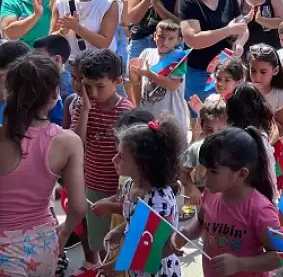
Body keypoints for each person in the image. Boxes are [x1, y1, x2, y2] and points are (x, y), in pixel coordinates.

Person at [0, 54, 86, 277]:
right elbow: (77, 207)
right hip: (44, 244)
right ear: (55, 93)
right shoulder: (68, 142)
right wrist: (65, 232)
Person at [170, 127, 282, 276]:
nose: (205, 177)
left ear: (241, 174)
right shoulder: (210, 194)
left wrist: (239, 264)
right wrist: (185, 233)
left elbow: (279, 256)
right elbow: (201, 220)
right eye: (205, 169)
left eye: (213, 171)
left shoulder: (260, 210)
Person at [99, 117, 186, 277]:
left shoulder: (159, 201)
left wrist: (119, 264)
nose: (114, 160)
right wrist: (119, 230)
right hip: (136, 269)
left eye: (121, 157)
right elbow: (138, 223)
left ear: (143, 165)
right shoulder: (130, 185)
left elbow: (164, 247)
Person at [72, 49, 134, 266]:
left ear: (117, 81)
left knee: (123, 244)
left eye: (100, 86)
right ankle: (98, 266)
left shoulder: (127, 112)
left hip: (120, 190)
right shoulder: (83, 106)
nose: (94, 93)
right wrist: (86, 111)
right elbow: (77, 145)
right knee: (100, 240)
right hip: (93, 185)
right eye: (88, 86)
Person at [178, 0, 248, 104]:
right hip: (199, 70)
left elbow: (242, 27)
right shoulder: (188, 0)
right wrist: (228, 30)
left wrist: (240, 43)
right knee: (201, 116)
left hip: (227, 71)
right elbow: (193, 39)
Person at [130, 20, 189, 133]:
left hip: (171, 120)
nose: (165, 42)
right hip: (148, 117)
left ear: (179, 40)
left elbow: (173, 85)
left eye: (170, 38)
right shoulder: (146, 53)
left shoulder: (180, 58)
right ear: (155, 36)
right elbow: (136, 82)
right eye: (161, 37)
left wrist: (149, 74)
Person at [181, 98, 227, 208]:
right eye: (209, 129)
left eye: (220, 130)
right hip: (200, 201)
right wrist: (192, 188)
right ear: (201, 126)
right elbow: (182, 172)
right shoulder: (195, 149)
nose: (214, 135)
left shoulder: (232, 150)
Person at [247, 44, 283, 143]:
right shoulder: (244, 92)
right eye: (253, 71)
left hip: (271, 147)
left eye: (263, 72)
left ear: (275, 70)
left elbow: (282, 130)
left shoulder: (281, 96)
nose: (257, 77)